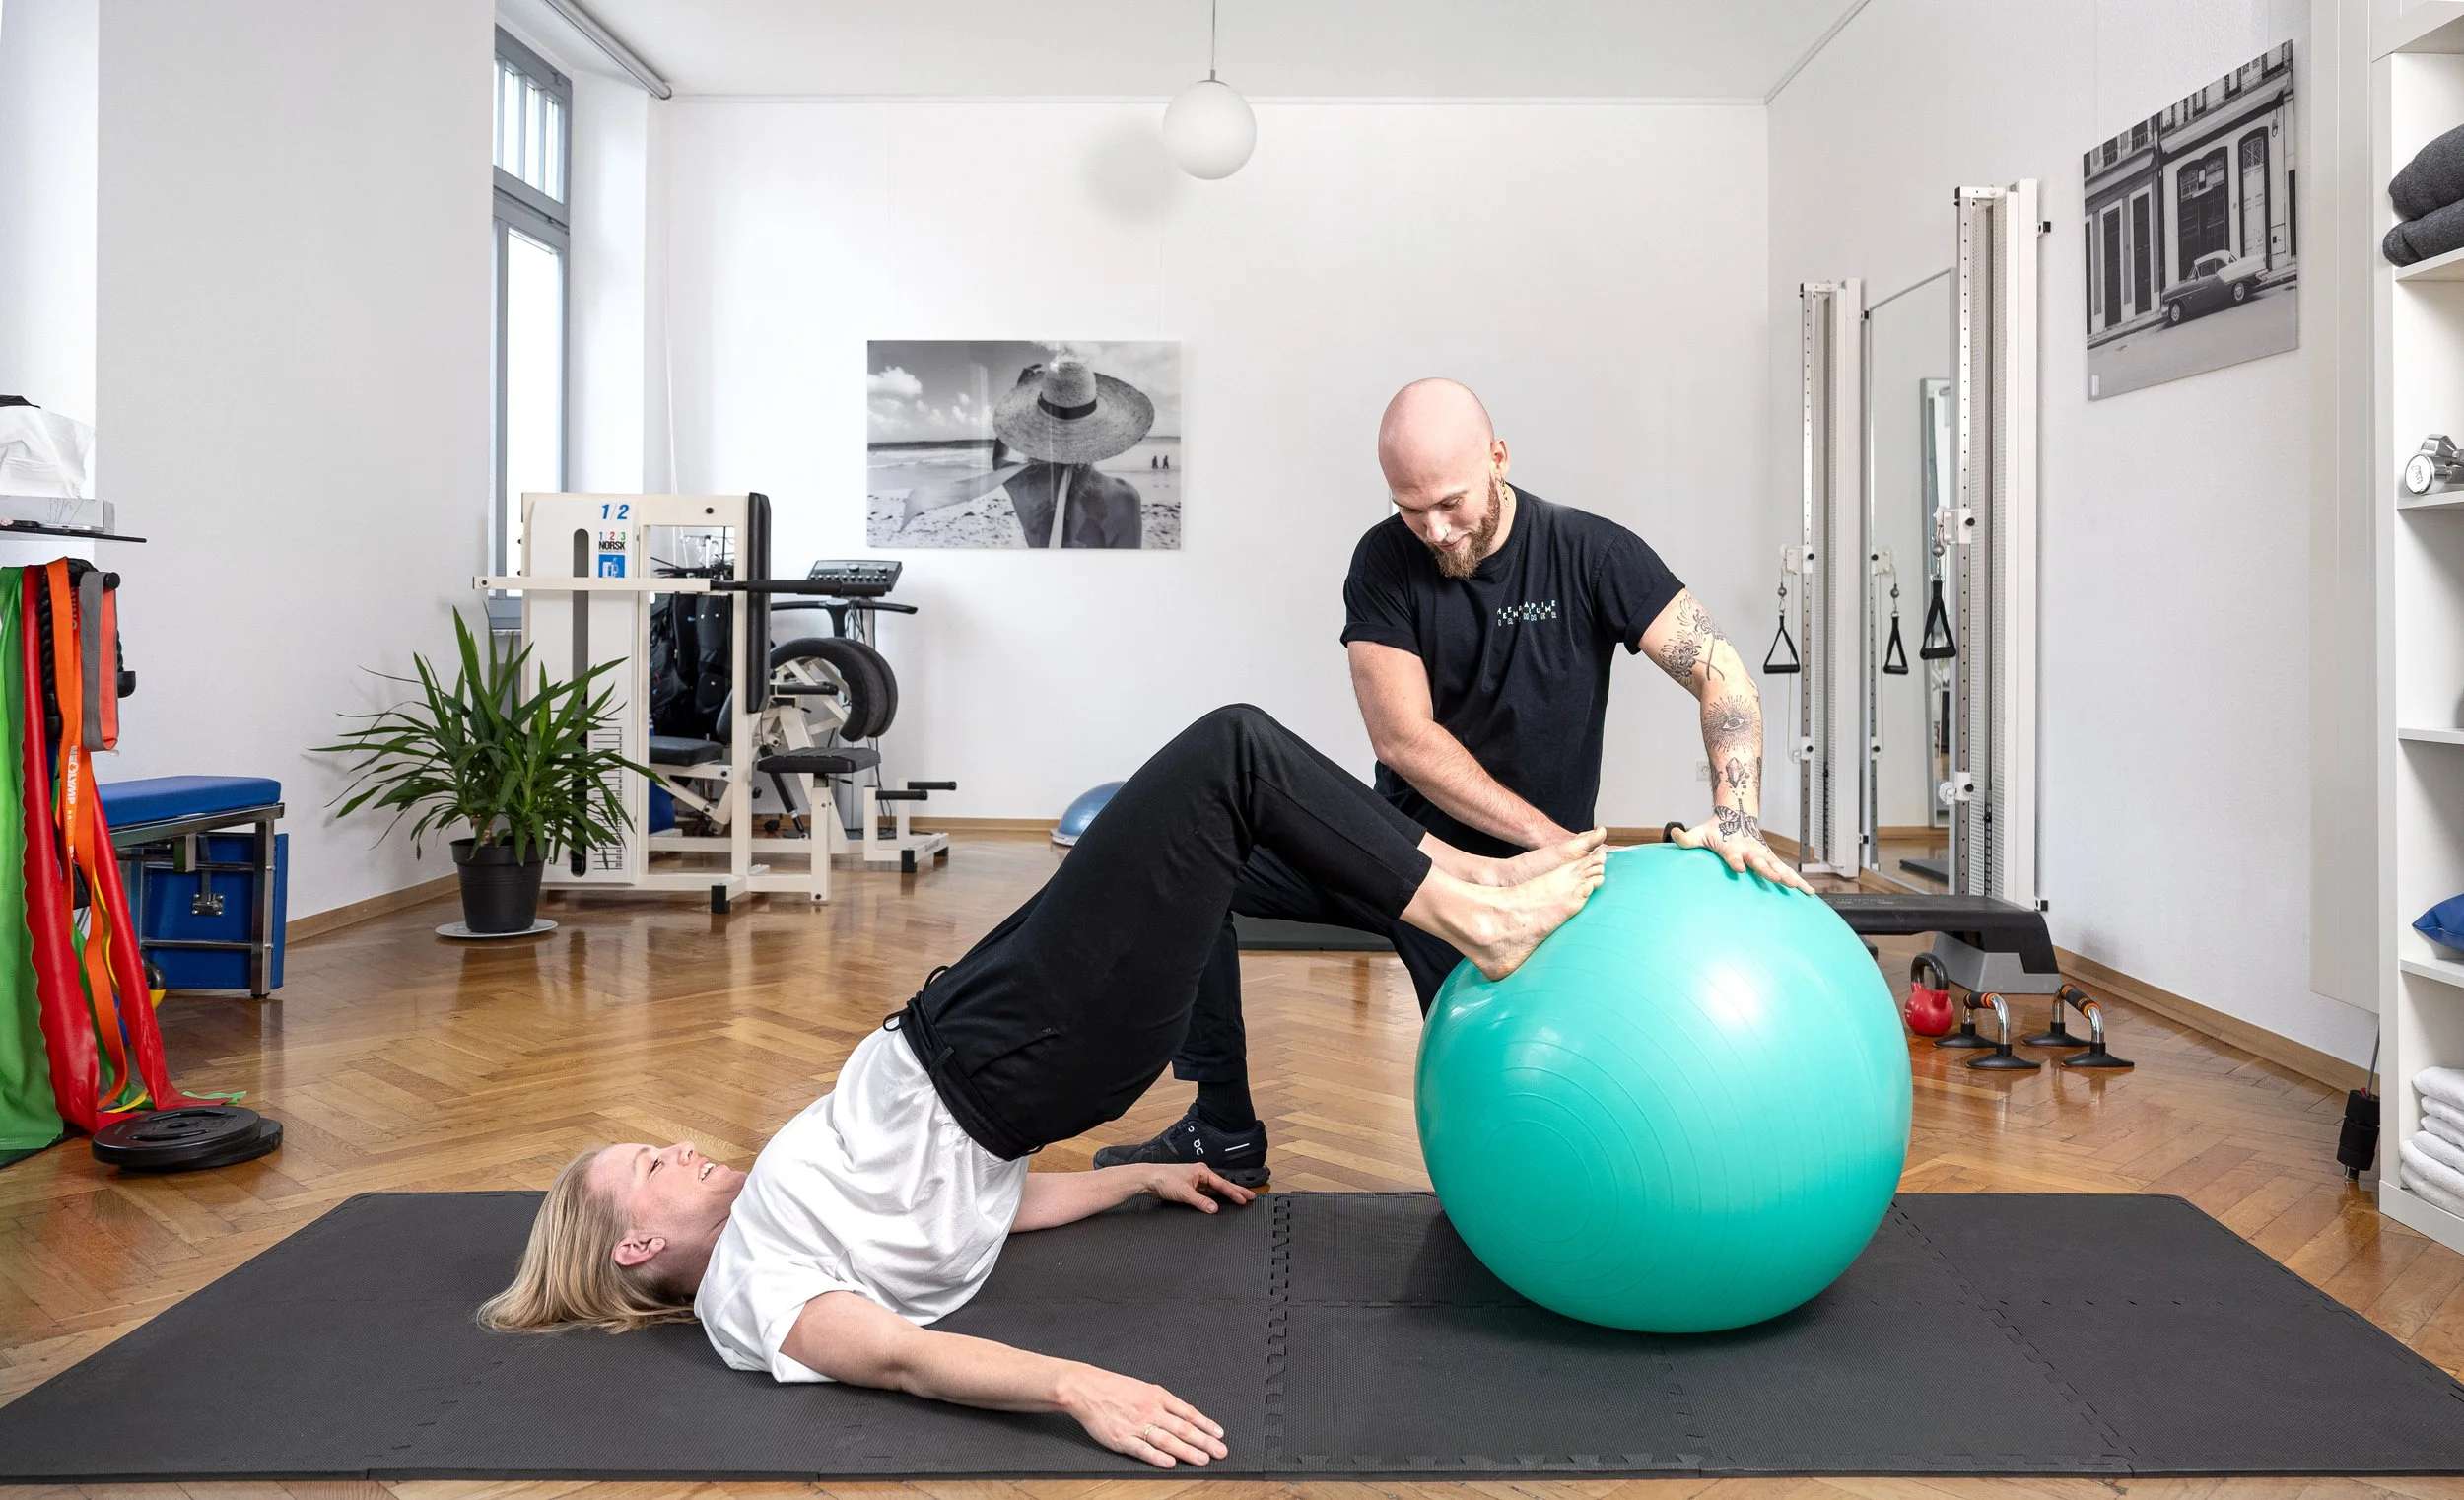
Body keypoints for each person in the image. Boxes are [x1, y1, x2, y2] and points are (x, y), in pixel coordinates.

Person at [480, 705, 1608, 1468]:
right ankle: (1471, 906)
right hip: (997, 1047)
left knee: (1210, 833)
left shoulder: (802, 1226)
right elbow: (899, 1357)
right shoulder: (748, 1294)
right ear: (633, 1245)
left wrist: (1141, 1181)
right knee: (1230, 752)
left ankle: (1473, 884)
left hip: (1001, 1045)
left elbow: (979, 1206)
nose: (673, 1147)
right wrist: (1076, 1388)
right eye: (647, 1165)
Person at [1097, 377, 1814, 1188]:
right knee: (1192, 869)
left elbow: (1724, 675)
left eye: (1450, 503)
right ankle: (1222, 1128)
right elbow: (1404, 739)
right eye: (1411, 508)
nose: (1435, 531)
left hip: (1529, 897)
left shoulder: (1591, 552)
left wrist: (1739, 818)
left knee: (1522, 1152)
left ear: (1498, 459)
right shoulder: (1382, 560)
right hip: (1398, 854)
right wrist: (1550, 841)